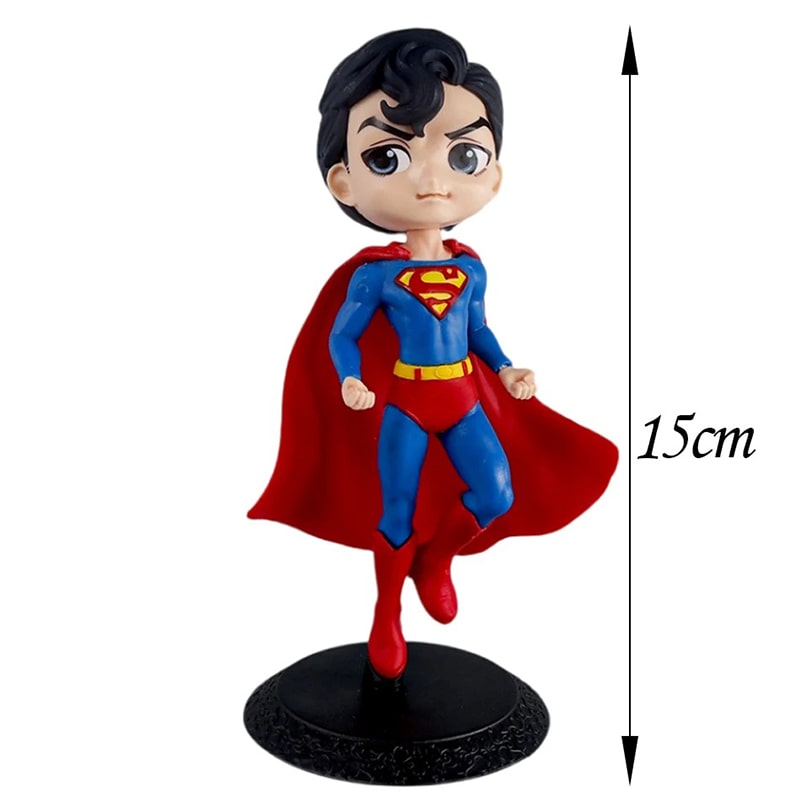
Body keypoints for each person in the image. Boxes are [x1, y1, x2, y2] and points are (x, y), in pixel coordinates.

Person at [248, 29, 618, 680]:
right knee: (395, 509)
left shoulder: (470, 267)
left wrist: (506, 367)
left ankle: (437, 558)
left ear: (492, 174)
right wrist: (349, 378)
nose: (431, 180)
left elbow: (478, 330)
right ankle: (386, 612)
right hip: (407, 402)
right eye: (388, 156)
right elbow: (342, 336)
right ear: (343, 179)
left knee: (496, 492)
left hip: (462, 397)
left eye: (463, 155)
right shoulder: (375, 275)